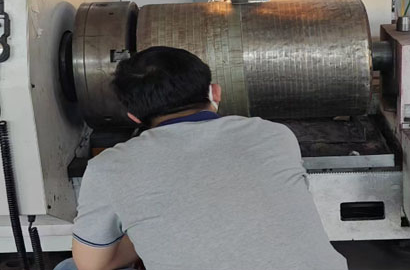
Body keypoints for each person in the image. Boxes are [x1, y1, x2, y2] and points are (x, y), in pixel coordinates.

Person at [56, 46, 347, 270]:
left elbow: (93, 264)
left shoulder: (108, 167)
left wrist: (149, 229)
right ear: (215, 92)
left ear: (133, 117)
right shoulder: (274, 134)